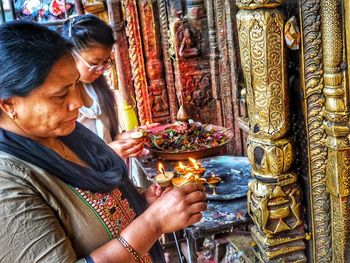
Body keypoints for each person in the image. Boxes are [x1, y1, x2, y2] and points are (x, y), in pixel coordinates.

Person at [0, 21, 206, 262]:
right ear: (8, 104)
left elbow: (98, 214)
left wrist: (143, 200)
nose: (81, 102)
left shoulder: (68, 135)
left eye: (76, 85)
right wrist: (153, 223)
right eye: (60, 95)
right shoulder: (8, 183)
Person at [61, 14, 150, 159]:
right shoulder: (58, 100)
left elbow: (105, 138)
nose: (101, 70)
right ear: (71, 53)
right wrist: (107, 153)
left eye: (105, 62)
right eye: (94, 63)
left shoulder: (97, 89)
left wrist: (125, 138)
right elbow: (63, 159)